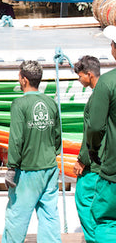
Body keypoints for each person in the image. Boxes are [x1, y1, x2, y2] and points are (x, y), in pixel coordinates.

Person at [2, 60, 62, 243]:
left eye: (19, 76)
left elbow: (16, 138)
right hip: (50, 168)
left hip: (28, 170)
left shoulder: (19, 104)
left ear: (24, 80)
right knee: (49, 216)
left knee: (17, 218)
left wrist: (11, 168)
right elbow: (57, 136)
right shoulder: (51, 103)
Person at [86, 25, 116, 242]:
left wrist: (93, 151)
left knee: (106, 221)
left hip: (113, 170)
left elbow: (95, 127)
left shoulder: (106, 83)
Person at [72, 55, 100, 243]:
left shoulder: (98, 97)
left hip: (94, 163)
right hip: (105, 161)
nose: (79, 79)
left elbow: (93, 131)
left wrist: (82, 159)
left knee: (83, 199)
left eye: (80, 76)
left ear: (89, 75)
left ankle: (95, 239)